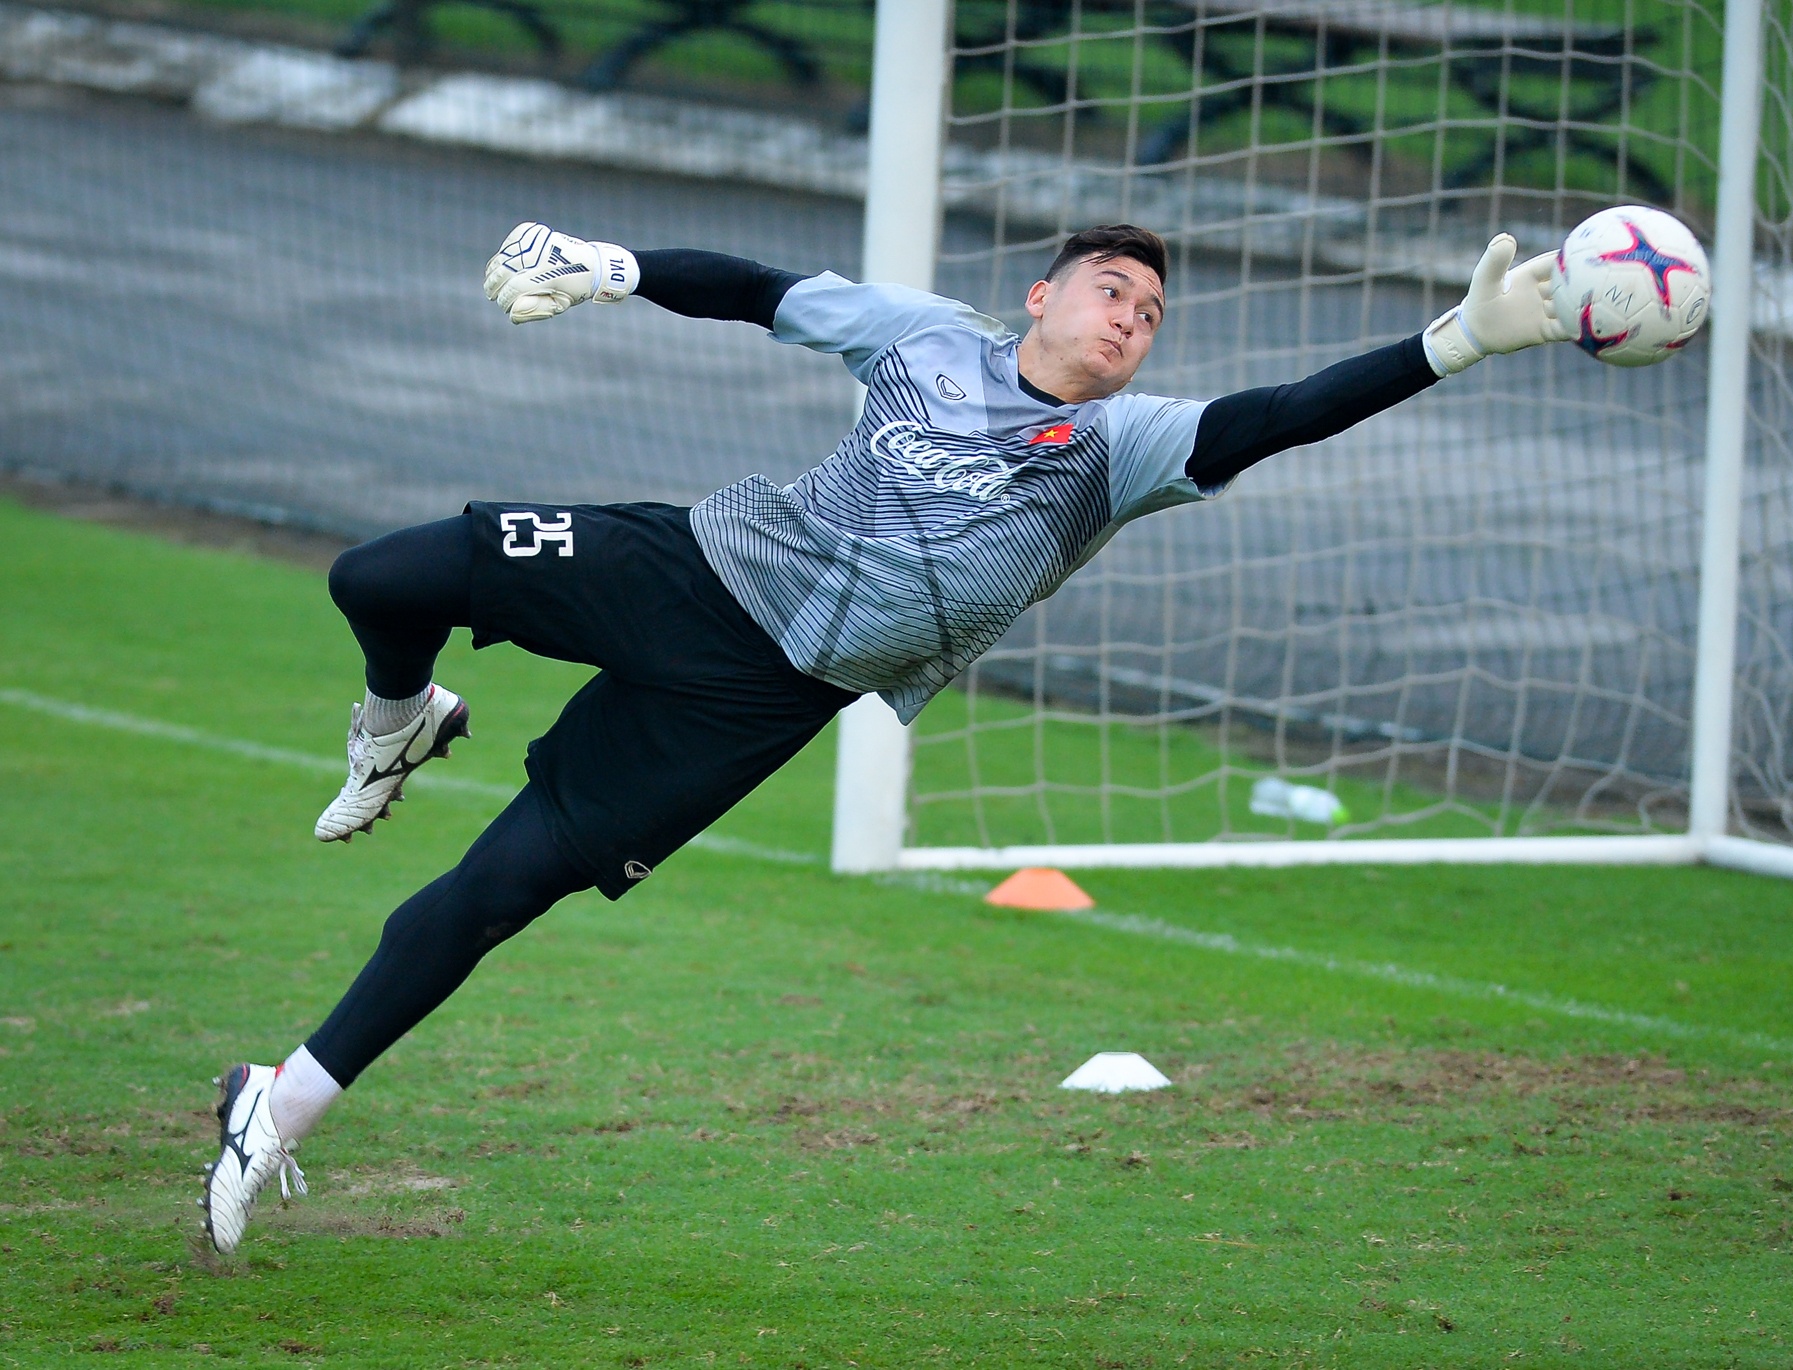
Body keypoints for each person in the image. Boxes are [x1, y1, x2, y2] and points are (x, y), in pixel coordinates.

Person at [199, 219, 1570, 1253]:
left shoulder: (1122, 444)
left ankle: (280, 1106)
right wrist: (611, 264)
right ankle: (399, 720)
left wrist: (1451, 342)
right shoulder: (922, 336)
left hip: (758, 698)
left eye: (1154, 312)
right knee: (379, 575)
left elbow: (1279, 417)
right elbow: (760, 293)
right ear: (1044, 292)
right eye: (1114, 289)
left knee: (493, 892)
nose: (1133, 319)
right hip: (691, 564)